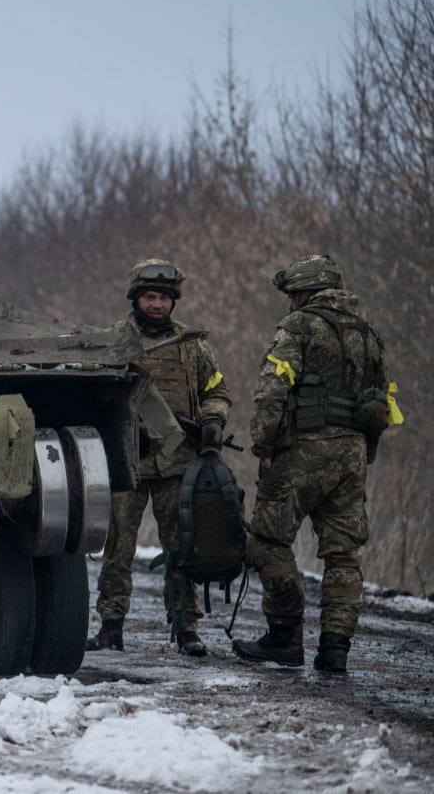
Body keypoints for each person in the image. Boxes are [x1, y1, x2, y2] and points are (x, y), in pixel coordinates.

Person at [233, 255, 396, 673]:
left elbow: (272, 388)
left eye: (292, 295)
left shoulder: (299, 326)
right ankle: (335, 649)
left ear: (304, 291)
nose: (289, 303)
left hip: (302, 453)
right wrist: (365, 453)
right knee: (343, 556)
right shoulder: (371, 334)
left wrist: (263, 444)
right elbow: (382, 404)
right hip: (351, 457)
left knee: (268, 540)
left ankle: (285, 636)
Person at [88, 259, 231, 656]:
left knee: (182, 546)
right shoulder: (113, 342)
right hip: (126, 460)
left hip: (177, 460)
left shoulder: (193, 346)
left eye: (163, 298)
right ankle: (111, 627)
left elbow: (217, 390)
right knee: (118, 547)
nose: (156, 305)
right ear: (136, 298)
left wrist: (213, 419)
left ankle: (187, 628)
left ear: (173, 301)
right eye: (149, 297)